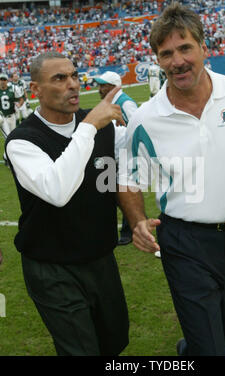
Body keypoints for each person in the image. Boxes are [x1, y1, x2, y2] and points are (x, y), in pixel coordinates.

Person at [117, 3, 225, 356]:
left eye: (185, 48)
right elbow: (126, 177)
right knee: (212, 349)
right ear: (158, 59)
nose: (177, 61)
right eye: (166, 53)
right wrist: (137, 220)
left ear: (203, 48)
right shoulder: (146, 119)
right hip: (184, 242)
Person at [4, 52, 129, 356]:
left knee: (114, 342)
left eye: (74, 75)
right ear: (35, 90)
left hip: (100, 258)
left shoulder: (105, 128)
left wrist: (136, 221)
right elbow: (57, 190)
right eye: (59, 79)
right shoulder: (22, 142)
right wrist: (87, 128)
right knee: (80, 350)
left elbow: (119, 176)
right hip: (52, 267)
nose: (72, 84)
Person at [95, 71, 138, 246]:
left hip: (125, 155)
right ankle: (130, 226)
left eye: (103, 85)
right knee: (110, 194)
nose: (99, 88)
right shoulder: (109, 103)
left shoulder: (125, 103)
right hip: (112, 154)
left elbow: (137, 127)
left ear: (113, 87)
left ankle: (130, 230)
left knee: (123, 193)